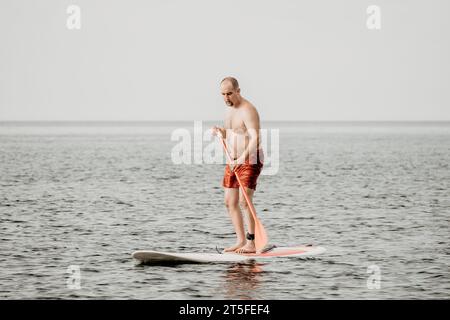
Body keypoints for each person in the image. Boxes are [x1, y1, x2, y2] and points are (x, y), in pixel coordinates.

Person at [212, 77, 264, 254]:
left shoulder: (248, 110)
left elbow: (256, 139)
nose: (226, 98)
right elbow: (235, 133)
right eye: (223, 94)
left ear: (238, 91)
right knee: (229, 202)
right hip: (233, 161)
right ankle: (240, 240)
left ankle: (252, 242)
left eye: (229, 93)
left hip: (250, 159)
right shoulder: (228, 111)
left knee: (244, 200)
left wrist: (240, 159)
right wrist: (221, 132)